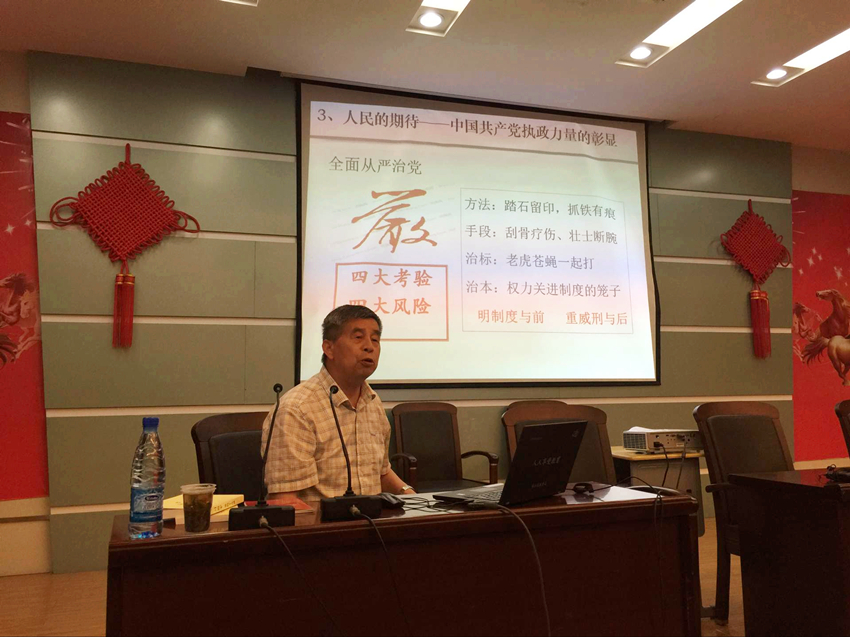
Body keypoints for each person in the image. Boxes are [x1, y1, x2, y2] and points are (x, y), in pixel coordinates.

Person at [262, 304, 414, 502]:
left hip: (372, 519)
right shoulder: (296, 410)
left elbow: (381, 473)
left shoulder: (372, 402)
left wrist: (416, 499)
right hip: (321, 521)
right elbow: (284, 499)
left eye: (375, 339)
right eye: (358, 337)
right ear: (329, 348)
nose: (369, 346)